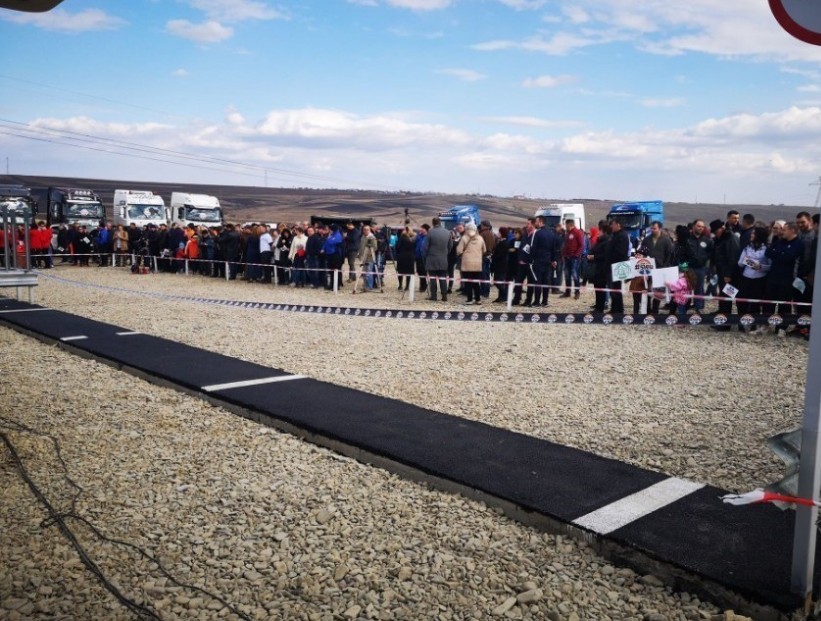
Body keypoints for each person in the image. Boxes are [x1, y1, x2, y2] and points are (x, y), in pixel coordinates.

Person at [736, 226, 771, 332]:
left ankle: (753, 324)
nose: (751, 235)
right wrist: (748, 261)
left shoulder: (767, 249)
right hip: (746, 277)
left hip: (759, 279)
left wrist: (760, 266)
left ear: (759, 236)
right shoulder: (747, 247)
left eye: (753, 234)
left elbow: (770, 266)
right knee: (741, 301)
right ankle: (741, 323)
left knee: (755, 303)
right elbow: (740, 263)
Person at [530, 216, 558, 307]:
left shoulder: (537, 233)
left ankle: (537, 301)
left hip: (538, 261)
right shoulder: (551, 234)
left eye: (537, 221)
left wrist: (531, 259)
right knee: (546, 281)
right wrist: (553, 260)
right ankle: (545, 301)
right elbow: (554, 249)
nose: (535, 223)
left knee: (538, 281)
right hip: (548, 261)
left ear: (541, 222)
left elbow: (533, 248)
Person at [604, 219, 630, 313]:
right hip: (611, 266)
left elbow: (621, 252)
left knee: (616, 288)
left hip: (617, 266)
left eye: (613, 224)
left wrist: (611, 258)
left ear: (618, 225)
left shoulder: (622, 236)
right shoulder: (614, 235)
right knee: (612, 288)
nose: (611, 226)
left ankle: (618, 309)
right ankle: (614, 308)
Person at [456, 222, 485, 304]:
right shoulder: (480, 238)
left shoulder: (464, 238)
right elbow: (484, 250)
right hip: (477, 264)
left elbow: (459, 251)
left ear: (467, 229)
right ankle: (478, 299)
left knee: (468, 282)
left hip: (467, 264)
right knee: (476, 283)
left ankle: (469, 299)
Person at [424, 217, 452, 301]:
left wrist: (426, 255)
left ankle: (434, 296)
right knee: (443, 278)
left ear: (433, 223)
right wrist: (445, 253)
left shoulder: (430, 232)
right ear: (440, 223)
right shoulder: (448, 232)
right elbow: (450, 246)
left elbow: (425, 246)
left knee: (432, 278)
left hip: (431, 259)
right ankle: (444, 295)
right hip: (443, 259)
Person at [560, 218, 584, 299]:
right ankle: (567, 292)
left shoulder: (577, 232)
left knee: (575, 275)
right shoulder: (568, 233)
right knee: (567, 275)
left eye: (566, 225)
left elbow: (581, 245)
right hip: (567, 258)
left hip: (574, 258)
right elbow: (566, 245)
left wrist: (577, 255)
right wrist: (563, 254)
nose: (565, 226)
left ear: (570, 225)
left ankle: (577, 292)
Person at [490, 226, 510, 303]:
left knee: (498, 281)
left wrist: (493, 256)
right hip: (499, 265)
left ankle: (504, 295)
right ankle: (500, 297)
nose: (498, 233)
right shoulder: (501, 242)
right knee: (498, 281)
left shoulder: (504, 243)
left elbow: (500, 254)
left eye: (499, 232)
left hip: (501, 265)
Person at [357, 225, 378, 290]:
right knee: (364, 272)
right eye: (364, 230)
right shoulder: (363, 237)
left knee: (369, 272)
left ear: (369, 230)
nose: (365, 231)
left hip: (369, 258)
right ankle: (365, 285)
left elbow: (375, 248)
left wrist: (367, 254)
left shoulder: (372, 237)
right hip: (363, 257)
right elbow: (361, 246)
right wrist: (360, 254)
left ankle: (369, 286)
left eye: (367, 230)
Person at [396, 226, 416, 291]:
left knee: (400, 271)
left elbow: (397, 247)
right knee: (409, 272)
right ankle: (407, 286)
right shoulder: (413, 239)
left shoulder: (402, 238)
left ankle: (400, 285)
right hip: (410, 257)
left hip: (402, 256)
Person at [414, 224, 430, 293]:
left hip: (424, 257)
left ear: (425, 229)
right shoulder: (419, 236)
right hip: (418, 256)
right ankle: (422, 284)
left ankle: (423, 285)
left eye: (422, 228)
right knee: (419, 271)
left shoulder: (428, 237)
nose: (421, 229)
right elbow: (414, 242)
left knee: (423, 271)